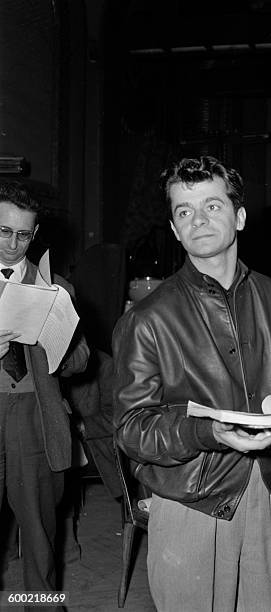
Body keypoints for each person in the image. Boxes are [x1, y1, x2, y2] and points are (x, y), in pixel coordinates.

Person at [112, 156, 271, 612]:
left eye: (211, 206)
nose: (197, 220)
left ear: (238, 216)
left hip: (269, 487)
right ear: (175, 230)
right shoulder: (147, 319)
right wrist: (208, 432)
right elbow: (132, 428)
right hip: (191, 498)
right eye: (184, 211)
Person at [0, 181, 89, 603]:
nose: (13, 244)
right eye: (3, 231)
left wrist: (58, 347)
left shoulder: (57, 287)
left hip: (33, 418)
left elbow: (82, 361)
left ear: (34, 236)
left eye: (23, 235)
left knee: (39, 538)